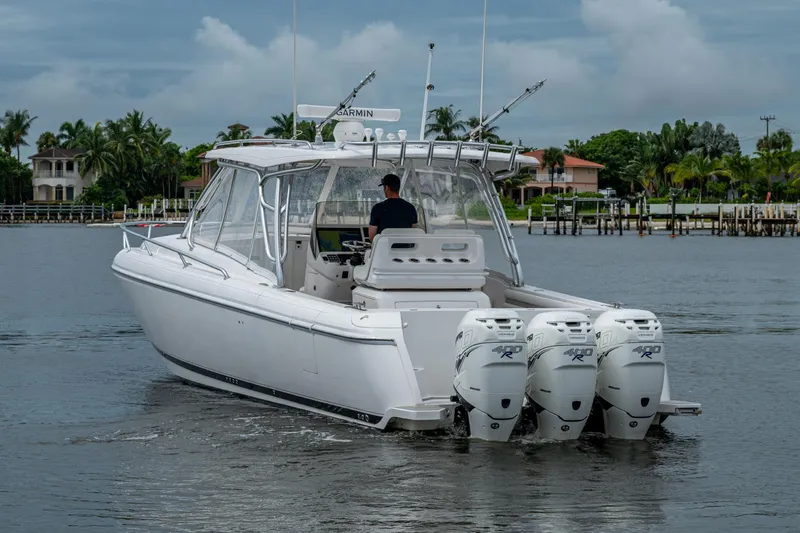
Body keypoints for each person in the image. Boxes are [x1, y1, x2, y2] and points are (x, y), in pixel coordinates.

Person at [368, 173, 418, 242]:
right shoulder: (411, 208)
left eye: (384, 187)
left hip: (384, 250)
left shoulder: (377, 208)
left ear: (387, 188)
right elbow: (413, 231)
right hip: (406, 250)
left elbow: (371, 237)